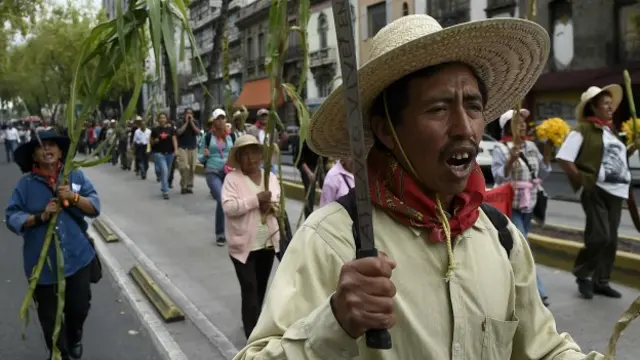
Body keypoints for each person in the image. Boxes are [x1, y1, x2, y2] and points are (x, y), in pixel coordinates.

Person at [232, 14, 605, 360]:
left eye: (473, 107)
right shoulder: (331, 240)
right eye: (438, 109)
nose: (465, 128)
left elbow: (543, 349)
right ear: (385, 130)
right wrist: (334, 323)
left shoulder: (501, 236)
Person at [5, 130, 101, 360]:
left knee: (79, 308)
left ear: (60, 152)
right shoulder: (25, 185)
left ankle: (75, 335)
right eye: (41, 147)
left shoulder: (74, 176)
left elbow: (95, 207)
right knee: (50, 322)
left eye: (51, 146)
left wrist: (73, 198)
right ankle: (60, 353)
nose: (46, 150)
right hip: (43, 265)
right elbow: (11, 216)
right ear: (34, 156)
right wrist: (40, 217)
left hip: (77, 258)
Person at [556, 84, 635, 300]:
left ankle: (602, 281)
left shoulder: (611, 132)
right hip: (596, 189)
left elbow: (615, 160)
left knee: (611, 240)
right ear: (593, 107)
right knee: (599, 236)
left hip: (617, 191)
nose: (610, 108)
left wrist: (631, 148)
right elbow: (564, 158)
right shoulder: (583, 129)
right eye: (605, 104)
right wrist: (584, 181)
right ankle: (583, 273)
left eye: (611, 104)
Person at [221, 135, 280, 339]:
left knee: (261, 288)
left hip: (267, 243)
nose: (250, 158)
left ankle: (252, 320)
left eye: (254, 153)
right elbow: (229, 207)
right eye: (245, 154)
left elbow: (278, 203)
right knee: (250, 289)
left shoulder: (270, 177)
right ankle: (252, 335)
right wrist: (256, 200)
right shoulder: (232, 179)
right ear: (238, 158)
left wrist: (271, 206)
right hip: (242, 246)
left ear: (260, 155)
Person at [492, 109, 552, 306]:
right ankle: (539, 292)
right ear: (508, 126)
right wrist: (511, 159)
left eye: (524, 121)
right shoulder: (500, 149)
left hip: (530, 204)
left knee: (517, 248)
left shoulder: (532, 146)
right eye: (518, 122)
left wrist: (548, 152)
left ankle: (509, 283)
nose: (523, 125)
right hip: (511, 205)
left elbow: (543, 172)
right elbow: (499, 177)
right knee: (523, 247)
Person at [199, 108, 233, 246]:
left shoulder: (232, 136)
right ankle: (220, 233)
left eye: (223, 118)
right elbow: (200, 156)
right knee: (221, 199)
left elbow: (236, 153)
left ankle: (235, 232)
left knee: (232, 201)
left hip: (229, 172)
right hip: (213, 171)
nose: (220, 121)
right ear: (213, 121)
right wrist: (204, 155)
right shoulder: (207, 137)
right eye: (218, 118)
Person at [150, 113, 178, 199]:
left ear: (166, 119)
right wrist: (155, 140)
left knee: (168, 172)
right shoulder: (155, 130)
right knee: (165, 170)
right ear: (158, 120)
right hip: (159, 153)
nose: (162, 119)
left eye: (164, 118)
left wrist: (176, 150)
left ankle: (163, 186)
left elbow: (174, 139)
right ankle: (165, 191)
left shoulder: (171, 129)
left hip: (170, 153)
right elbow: (151, 142)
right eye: (160, 118)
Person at [176, 108, 200, 194]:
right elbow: (179, 132)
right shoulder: (180, 122)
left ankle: (189, 186)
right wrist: (186, 123)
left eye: (190, 113)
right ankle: (183, 185)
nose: (189, 115)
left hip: (193, 148)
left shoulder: (196, 122)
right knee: (184, 167)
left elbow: (198, 132)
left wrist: (192, 123)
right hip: (183, 148)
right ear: (184, 114)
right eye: (187, 113)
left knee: (192, 168)